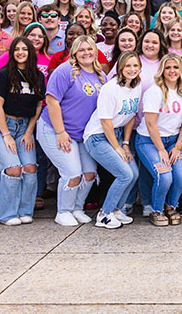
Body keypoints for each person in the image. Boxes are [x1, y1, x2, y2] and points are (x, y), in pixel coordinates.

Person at [39, 36, 104, 226]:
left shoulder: (100, 75)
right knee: (72, 172)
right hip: (55, 129)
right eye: (81, 50)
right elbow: (52, 101)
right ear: (74, 52)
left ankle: (77, 207)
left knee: (90, 173)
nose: (86, 53)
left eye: (90, 49)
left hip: (82, 135)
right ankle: (63, 211)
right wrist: (60, 132)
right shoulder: (65, 71)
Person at [0, 36, 45, 226]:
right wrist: (6, 134)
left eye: (24, 49)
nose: (20, 52)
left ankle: (24, 211)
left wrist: (29, 132)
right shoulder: (4, 74)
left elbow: (37, 107)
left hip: (24, 127)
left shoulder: (38, 75)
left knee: (30, 168)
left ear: (30, 53)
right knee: (13, 169)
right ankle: (7, 214)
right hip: (0, 127)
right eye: (16, 49)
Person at [83, 52, 142, 229]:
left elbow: (130, 116)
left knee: (134, 174)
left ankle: (116, 209)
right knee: (124, 174)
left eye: (135, 66)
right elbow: (105, 121)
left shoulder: (136, 86)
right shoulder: (110, 88)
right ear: (120, 68)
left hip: (116, 135)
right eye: (127, 66)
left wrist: (125, 143)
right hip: (97, 137)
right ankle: (104, 214)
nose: (131, 70)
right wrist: (117, 148)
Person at [139, 54, 182, 226]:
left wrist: (177, 147)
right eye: (168, 67)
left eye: (176, 67)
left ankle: (171, 206)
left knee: (180, 176)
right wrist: (161, 149)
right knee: (165, 176)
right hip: (150, 141)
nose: (172, 71)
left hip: (175, 141)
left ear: (181, 70)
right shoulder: (155, 91)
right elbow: (150, 123)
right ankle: (156, 210)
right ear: (162, 70)